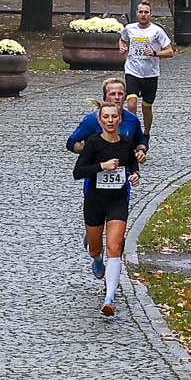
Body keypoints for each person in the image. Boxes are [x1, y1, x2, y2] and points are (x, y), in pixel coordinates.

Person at [66, 77, 146, 277]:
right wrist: (92, 152)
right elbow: (71, 142)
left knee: (116, 239)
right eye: (113, 94)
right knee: (96, 235)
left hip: (121, 184)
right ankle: (96, 252)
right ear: (105, 97)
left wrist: (141, 151)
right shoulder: (92, 120)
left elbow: (138, 141)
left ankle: (113, 259)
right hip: (95, 183)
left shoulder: (131, 120)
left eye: (120, 94)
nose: (117, 98)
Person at [72, 101, 141, 317]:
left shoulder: (127, 142)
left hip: (117, 201)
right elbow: (78, 172)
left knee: (114, 246)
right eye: (106, 117)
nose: (110, 121)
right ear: (100, 120)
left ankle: (109, 298)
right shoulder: (93, 143)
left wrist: (134, 175)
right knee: (96, 248)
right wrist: (101, 166)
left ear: (120, 119)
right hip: (94, 201)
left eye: (114, 117)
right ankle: (96, 257)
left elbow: (132, 165)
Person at [117, 0, 173, 132]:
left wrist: (155, 53)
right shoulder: (129, 28)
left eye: (146, 12)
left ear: (150, 14)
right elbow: (123, 39)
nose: (143, 15)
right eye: (141, 12)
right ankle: (134, 132)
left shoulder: (157, 31)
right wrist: (122, 46)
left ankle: (146, 133)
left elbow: (170, 52)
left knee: (146, 107)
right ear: (136, 14)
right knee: (131, 103)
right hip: (132, 71)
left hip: (150, 74)